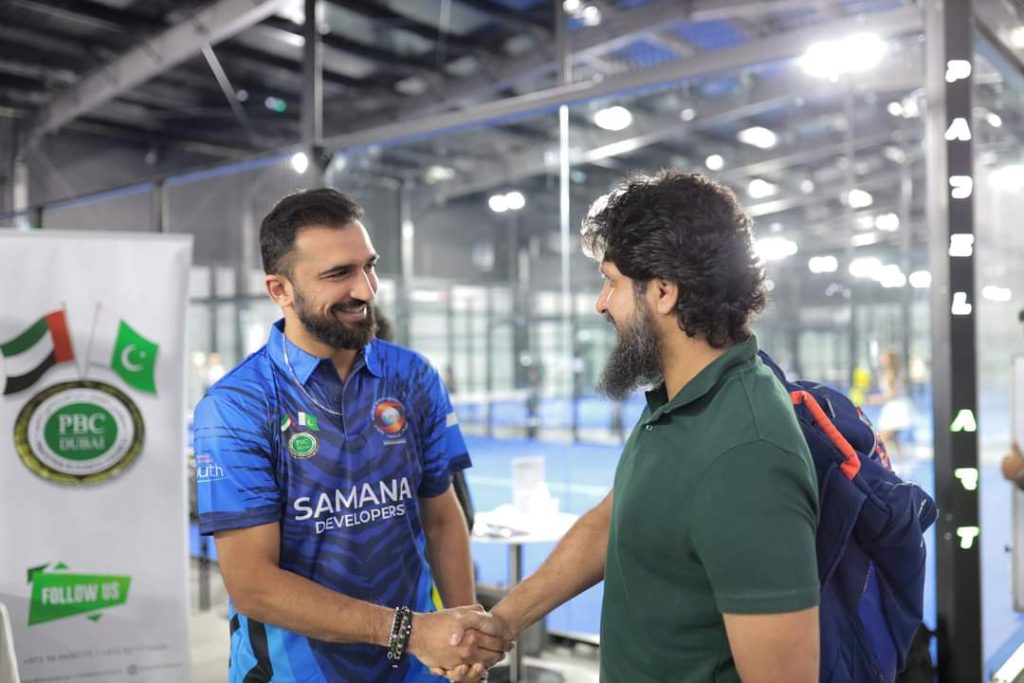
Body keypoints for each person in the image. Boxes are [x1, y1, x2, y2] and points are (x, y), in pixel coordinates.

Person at [440, 170, 821, 682]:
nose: (601, 303)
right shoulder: (681, 398)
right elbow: (614, 520)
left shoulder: (747, 455)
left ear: (663, 291)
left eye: (612, 282)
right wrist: (502, 622)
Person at [193, 188, 510, 682]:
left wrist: (462, 638)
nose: (365, 290)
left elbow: (442, 517)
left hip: (417, 669)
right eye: (338, 274)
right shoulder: (237, 406)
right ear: (280, 290)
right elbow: (253, 584)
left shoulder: (412, 376)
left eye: (369, 267)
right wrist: (409, 631)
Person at [868, 348, 913, 460]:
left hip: (895, 408)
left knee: (884, 438)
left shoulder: (891, 374)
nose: (881, 359)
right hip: (896, 406)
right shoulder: (895, 372)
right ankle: (902, 460)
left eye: (884, 357)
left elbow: (892, 394)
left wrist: (876, 399)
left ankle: (887, 462)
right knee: (894, 438)